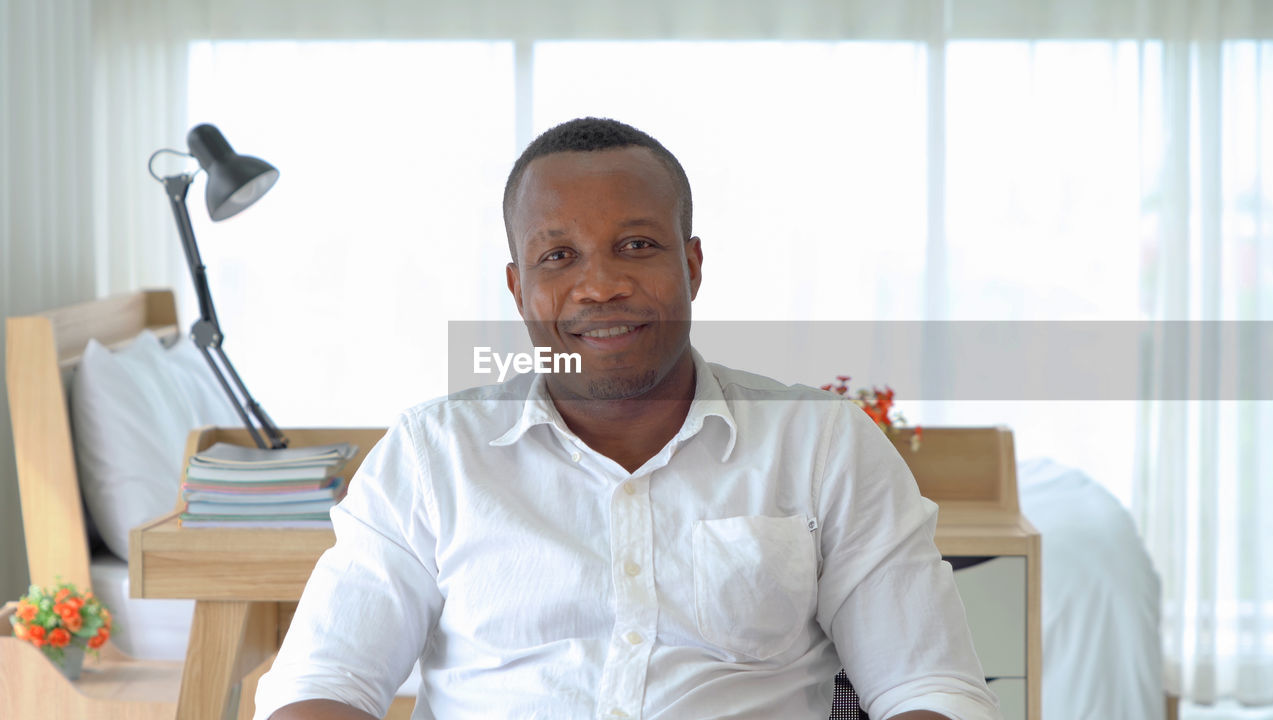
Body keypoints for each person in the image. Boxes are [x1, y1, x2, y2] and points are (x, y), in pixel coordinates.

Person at [255, 118, 1001, 720]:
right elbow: (326, 681)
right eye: (558, 256)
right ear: (519, 288)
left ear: (693, 264)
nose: (601, 285)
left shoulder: (823, 445)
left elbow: (928, 687)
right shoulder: (430, 456)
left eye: (636, 246)